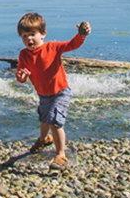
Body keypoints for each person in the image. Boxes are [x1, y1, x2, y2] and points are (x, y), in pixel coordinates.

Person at [15, 12, 91, 171]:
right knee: (44, 119)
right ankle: (43, 139)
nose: (29, 39)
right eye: (24, 36)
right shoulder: (24, 54)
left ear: (43, 34)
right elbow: (20, 76)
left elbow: (72, 45)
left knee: (54, 121)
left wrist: (81, 35)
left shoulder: (52, 47)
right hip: (43, 94)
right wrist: (22, 76)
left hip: (60, 92)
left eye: (32, 34)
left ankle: (61, 154)